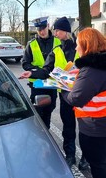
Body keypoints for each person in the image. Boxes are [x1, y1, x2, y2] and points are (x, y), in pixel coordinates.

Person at [20, 16, 89, 169]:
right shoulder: (56, 50)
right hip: (65, 96)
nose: (55, 33)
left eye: (58, 30)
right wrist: (31, 74)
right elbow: (46, 71)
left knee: (86, 129)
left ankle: (86, 157)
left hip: (84, 97)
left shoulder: (83, 48)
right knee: (68, 127)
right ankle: (70, 155)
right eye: (55, 30)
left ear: (65, 31)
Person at [61, 27, 106, 178]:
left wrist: (63, 87)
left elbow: (76, 99)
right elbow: (98, 81)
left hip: (98, 124)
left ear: (87, 46)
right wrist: (79, 74)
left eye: (78, 44)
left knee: (96, 160)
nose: (76, 47)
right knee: (102, 155)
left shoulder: (93, 70)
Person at [21, 16, 62, 129]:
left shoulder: (58, 41)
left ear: (48, 26)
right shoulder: (32, 44)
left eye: (43, 28)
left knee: (49, 109)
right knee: (38, 112)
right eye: (39, 30)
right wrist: (38, 71)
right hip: (37, 83)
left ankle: (46, 132)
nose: (41, 32)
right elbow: (25, 63)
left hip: (52, 83)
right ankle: (39, 133)